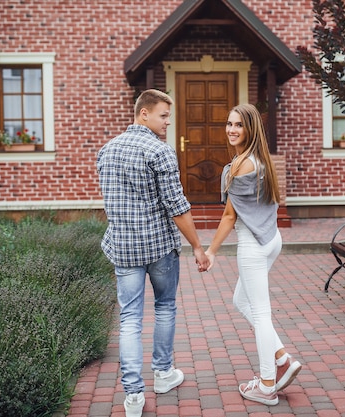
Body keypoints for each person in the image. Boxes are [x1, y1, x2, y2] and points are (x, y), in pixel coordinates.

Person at [96, 89, 210, 417]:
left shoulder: (106, 150)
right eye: (163, 115)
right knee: (165, 306)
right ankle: (162, 374)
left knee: (129, 318)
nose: (167, 122)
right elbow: (177, 205)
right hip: (159, 247)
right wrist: (198, 248)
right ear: (143, 113)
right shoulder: (160, 151)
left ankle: (133, 396)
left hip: (124, 247)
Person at [205, 103, 302, 406]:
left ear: (250, 129)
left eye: (238, 125)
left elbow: (229, 217)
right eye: (229, 123)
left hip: (253, 246)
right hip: (271, 239)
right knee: (240, 300)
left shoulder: (240, 164)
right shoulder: (260, 159)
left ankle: (267, 385)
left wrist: (210, 251)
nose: (232, 129)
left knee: (260, 314)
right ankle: (283, 358)